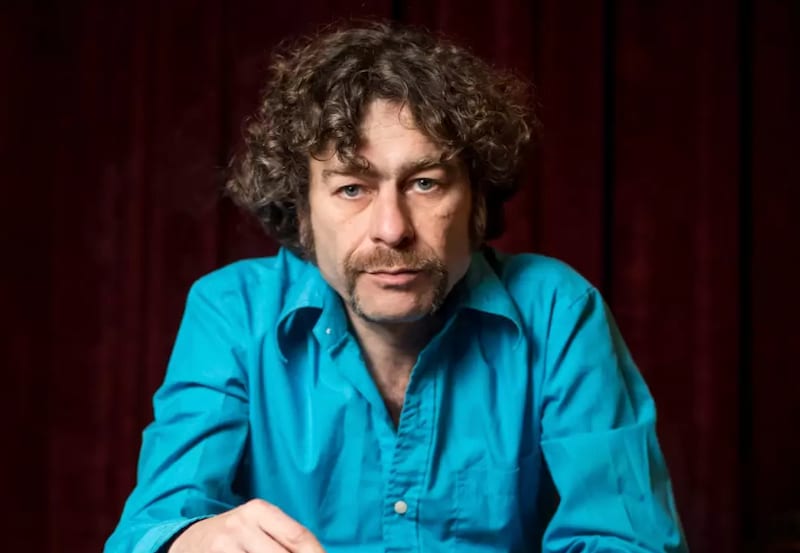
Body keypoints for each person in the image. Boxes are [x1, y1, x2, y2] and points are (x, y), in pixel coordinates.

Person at [105, 21, 688, 553]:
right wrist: (187, 541)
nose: (392, 228)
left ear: (477, 201)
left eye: (425, 183)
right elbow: (150, 528)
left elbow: (627, 541)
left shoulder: (558, 311)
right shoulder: (231, 313)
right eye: (352, 188)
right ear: (302, 211)